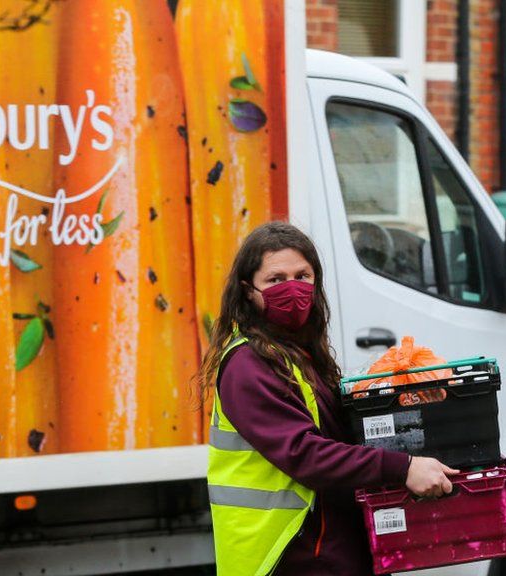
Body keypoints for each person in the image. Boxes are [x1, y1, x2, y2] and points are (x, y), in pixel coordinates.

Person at [195, 221, 458, 575]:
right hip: (287, 554)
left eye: (303, 276)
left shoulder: (294, 353)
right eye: (276, 280)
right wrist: (402, 468)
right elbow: (305, 453)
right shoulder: (248, 365)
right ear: (247, 291)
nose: (293, 288)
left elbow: (334, 432)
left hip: (323, 546)